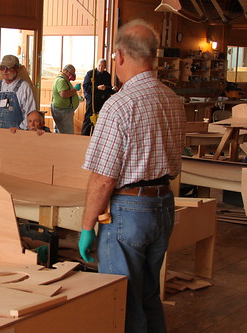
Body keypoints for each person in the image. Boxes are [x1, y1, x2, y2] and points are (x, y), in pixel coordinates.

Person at [78, 19, 186, 333]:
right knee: (149, 294)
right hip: (163, 205)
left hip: (128, 211)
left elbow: (103, 178)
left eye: (114, 58)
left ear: (121, 57)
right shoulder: (172, 100)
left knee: (121, 300)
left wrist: (87, 227)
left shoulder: (119, 105)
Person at [0, 55, 36, 129]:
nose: (5, 71)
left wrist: (20, 129)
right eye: (2, 68)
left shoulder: (24, 87)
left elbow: (30, 113)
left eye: (8, 68)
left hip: (15, 133)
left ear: (16, 69)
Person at [82, 58, 117, 135]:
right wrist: (97, 88)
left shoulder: (107, 75)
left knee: (100, 120)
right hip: (92, 100)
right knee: (88, 119)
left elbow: (108, 88)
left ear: (105, 67)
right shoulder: (90, 73)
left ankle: (96, 135)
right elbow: (85, 87)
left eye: (103, 66)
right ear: (97, 65)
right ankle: (84, 136)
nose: (101, 68)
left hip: (102, 100)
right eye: (99, 66)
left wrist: (114, 90)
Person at [51, 64, 81, 134]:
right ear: (65, 71)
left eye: (74, 73)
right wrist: (75, 89)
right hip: (62, 111)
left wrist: (76, 98)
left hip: (64, 110)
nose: (73, 75)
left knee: (62, 131)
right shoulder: (61, 81)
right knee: (67, 132)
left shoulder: (65, 80)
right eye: (71, 73)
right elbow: (63, 94)